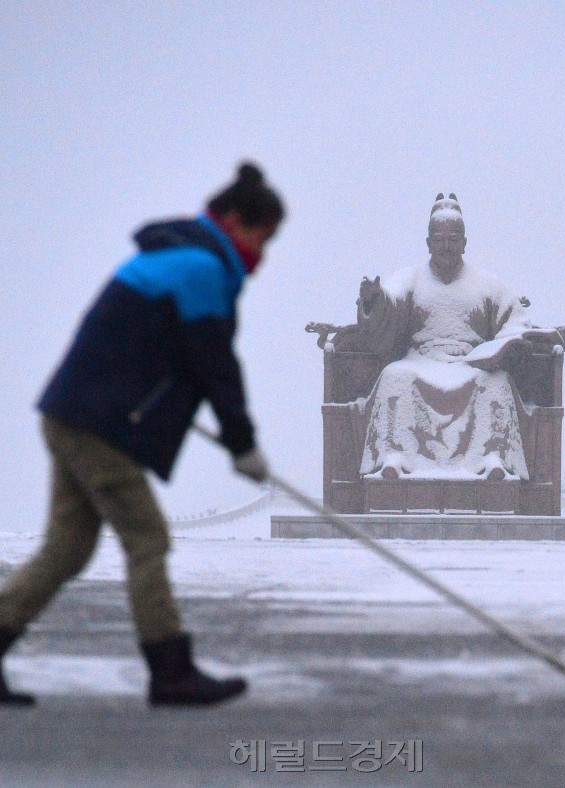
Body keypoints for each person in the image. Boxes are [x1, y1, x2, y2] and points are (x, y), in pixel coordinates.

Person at [0, 162, 285, 706]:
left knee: (66, 549)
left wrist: (233, 435)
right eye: (261, 236)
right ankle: (171, 671)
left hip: (74, 414)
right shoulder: (198, 267)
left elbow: (176, 357)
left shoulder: (178, 259)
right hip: (99, 425)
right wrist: (242, 442)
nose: (262, 255)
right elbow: (213, 362)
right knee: (147, 539)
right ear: (233, 220)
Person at [356, 193, 535, 482]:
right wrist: (373, 300)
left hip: (471, 363)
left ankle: (493, 460)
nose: (447, 246)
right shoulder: (411, 278)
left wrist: (507, 345)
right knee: (394, 376)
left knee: (497, 382)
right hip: (421, 360)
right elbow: (387, 306)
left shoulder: (487, 284)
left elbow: (515, 320)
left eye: (454, 239)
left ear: (464, 242)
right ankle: (395, 458)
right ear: (428, 242)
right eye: (440, 239)